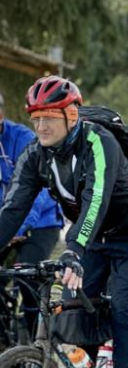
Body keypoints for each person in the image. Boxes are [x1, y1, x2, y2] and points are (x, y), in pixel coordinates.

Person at [0, 76, 128, 368]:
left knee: (123, 307)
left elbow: (95, 201)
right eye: (35, 118)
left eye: (49, 118)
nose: (40, 126)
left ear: (71, 115)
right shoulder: (36, 154)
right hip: (96, 237)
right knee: (75, 309)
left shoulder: (97, 142)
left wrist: (73, 249)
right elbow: (11, 210)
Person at [0, 90, 64, 337]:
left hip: (42, 222)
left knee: (26, 277)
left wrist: (20, 227)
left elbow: (36, 192)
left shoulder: (24, 139)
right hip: (7, 222)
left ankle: (38, 347)